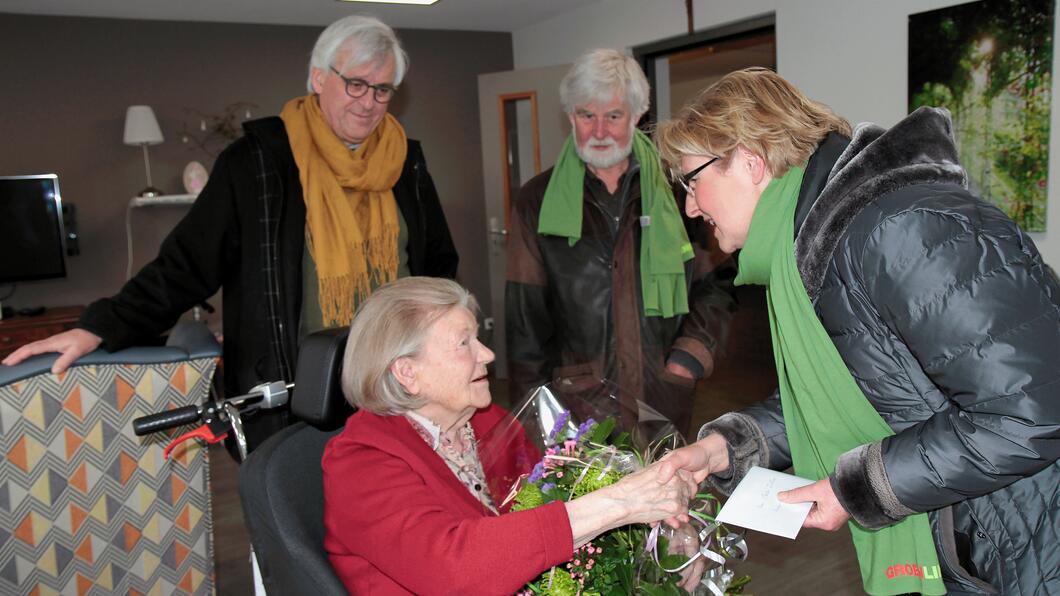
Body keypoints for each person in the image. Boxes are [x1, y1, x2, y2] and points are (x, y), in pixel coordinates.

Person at [655, 67, 1060, 595]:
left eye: (693, 181)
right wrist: (726, 448)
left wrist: (862, 488)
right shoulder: (819, 249)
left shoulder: (901, 228)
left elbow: (1029, 412)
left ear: (751, 163)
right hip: (978, 538)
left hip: (1027, 544)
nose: (690, 205)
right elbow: (857, 392)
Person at [2, 16, 458, 449]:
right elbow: (186, 264)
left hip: (395, 381)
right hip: (296, 390)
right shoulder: (258, 162)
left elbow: (437, 265)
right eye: (355, 83)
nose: (368, 101)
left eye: (382, 90)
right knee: (299, 514)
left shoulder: (406, 163)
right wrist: (99, 327)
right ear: (319, 78)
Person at [322, 276, 698, 594]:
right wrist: (621, 504)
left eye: (478, 338)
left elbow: (561, 495)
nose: (486, 354)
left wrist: (661, 526)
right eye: (463, 343)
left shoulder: (486, 422)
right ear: (407, 373)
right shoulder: (359, 464)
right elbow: (455, 570)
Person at [506, 49, 734, 436]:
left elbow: (719, 284)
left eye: (612, 116)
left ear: (637, 116)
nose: (598, 131)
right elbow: (525, 323)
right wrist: (535, 417)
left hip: (662, 395)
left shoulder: (679, 190)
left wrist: (688, 356)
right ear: (570, 117)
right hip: (575, 406)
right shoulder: (536, 201)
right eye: (586, 115)